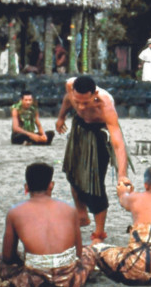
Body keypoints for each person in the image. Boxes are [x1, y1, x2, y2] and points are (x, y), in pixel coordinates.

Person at [0, 162, 96, 287]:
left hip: (33, 284)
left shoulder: (15, 212)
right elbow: (78, 254)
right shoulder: (69, 209)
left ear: (26, 187)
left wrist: (25, 259)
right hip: (68, 281)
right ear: (51, 185)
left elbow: (8, 257)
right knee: (89, 253)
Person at [55, 76, 131, 243]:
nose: (81, 106)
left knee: (94, 183)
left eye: (86, 102)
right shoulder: (69, 85)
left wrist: (122, 175)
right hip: (79, 129)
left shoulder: (105, 105)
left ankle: (99, 232)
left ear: (95, 94)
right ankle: (81, 214)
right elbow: (68, 100)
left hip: (98, 136)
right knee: (72, 173)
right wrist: (61, 117)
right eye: (78, 101)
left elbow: (118, 143)